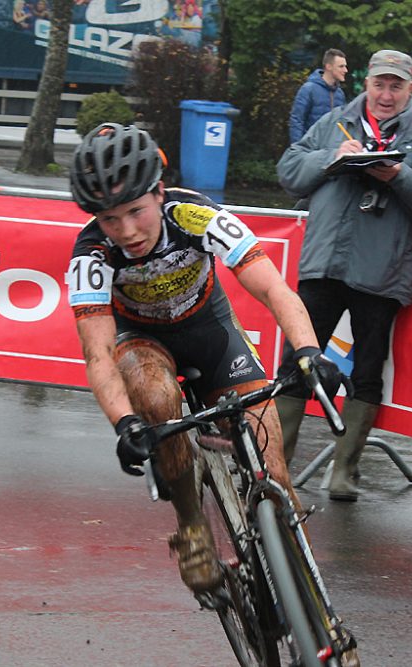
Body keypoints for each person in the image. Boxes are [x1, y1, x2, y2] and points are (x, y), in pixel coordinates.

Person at [66, 123, 344, 593]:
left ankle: (316, 610)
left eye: (136, 211)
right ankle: (191, 523)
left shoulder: (194, 215)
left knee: (272, 466)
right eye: (111, 219)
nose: (127, 231)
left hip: (208, 330)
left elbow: (273, 287)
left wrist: (309, 352)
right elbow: (98, 354)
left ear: (158, 192)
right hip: (142, 342)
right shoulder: (92, 254)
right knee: (155, 399)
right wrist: (125, 423)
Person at [276, 49, 412, 501]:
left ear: (410, 89)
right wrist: (333, 157)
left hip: (383, 271)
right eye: (379, 85)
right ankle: (276, 468)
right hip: (325, 263)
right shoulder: (335, 122)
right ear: (366, 85)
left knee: (368, 369)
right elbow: (289, 171)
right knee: (298, 360)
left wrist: (396, 175)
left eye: (396, 86)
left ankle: (344, 472)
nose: (386, 95)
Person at [288, 49, 348, 144]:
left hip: (331, 151)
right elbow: (297, 120)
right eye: (341, 66)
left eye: (345, 66)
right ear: (328, 66)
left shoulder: (340, 94)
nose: (345, 70)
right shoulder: (308, 89)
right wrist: (298, 149)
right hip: (310, 150)